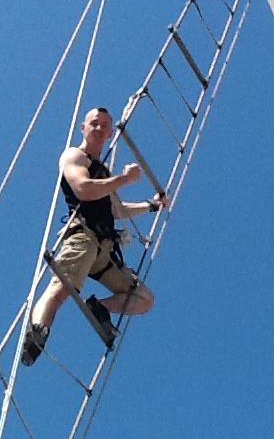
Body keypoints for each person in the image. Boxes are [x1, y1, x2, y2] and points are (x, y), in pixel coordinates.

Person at [22, 107, 167, 366]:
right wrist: (124, 179)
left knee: (144, 300)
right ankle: (36, 331)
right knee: (61, 289)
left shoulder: (104, 169)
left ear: (111, 133)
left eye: (104, 126)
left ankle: (100, 307)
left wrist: (152, 205)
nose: (99, 128)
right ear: (83, 128)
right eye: (94, 123)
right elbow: (84, 189)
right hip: (84, 236)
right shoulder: (75, 156)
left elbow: (117, 209)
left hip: (105, 249)